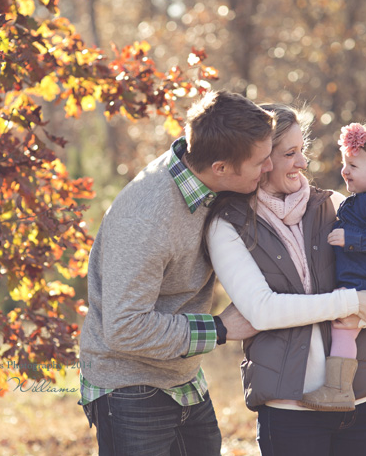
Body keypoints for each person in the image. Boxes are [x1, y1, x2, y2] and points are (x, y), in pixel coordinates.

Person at [78, 90, 275, 456]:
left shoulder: (209, 181)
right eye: (262, 161)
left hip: (182, 376)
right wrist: (220, 328)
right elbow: (124, 327)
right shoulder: (148, 217)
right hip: (128, 384)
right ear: (220, 167)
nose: (269, 168)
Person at [205, 104, 366, 455]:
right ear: (261, 159)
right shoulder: (228, 227)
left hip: (365, 396)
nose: (304, 163)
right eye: (290, 153)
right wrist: (353, 302)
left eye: (302, 151)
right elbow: (262, 311)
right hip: (291, 408)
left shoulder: (336, 205)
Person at [300, 118, 366, 412]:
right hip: (362, 277)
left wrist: (351, 239)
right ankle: (339, 386)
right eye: (344, 163)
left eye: (353, 165)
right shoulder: (364, 197)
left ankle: (338, 389)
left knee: (344, 326)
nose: (344, 170)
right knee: (343, 326)